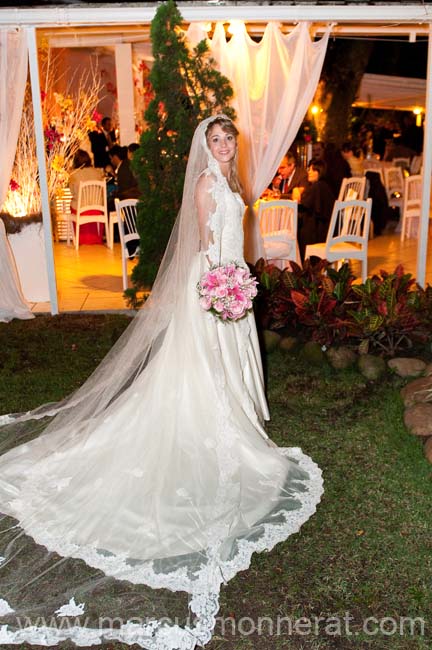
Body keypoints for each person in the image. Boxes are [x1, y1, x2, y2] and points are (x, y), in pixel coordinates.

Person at [0, 115, 323, 649]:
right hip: (212, 284)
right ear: (205, 146)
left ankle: (237, 416)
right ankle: (217, 425)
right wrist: (221, 286)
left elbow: (234, 237)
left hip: (231, 281)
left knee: (230, 361)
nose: (222, 147)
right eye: (214, 141)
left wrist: (240, 278)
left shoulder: (232, 182)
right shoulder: (203, 184)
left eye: (227, 141)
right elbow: (201, 243)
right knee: (203, 367)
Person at [298, 157, 336, 261]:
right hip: (327, 230)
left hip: (318, 233)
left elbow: (304, 206)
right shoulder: (325, 186)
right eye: (309, 169)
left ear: (320, 172)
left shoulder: (317, 187)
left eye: (313, 170)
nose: (309, 172)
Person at [68, 148, 105, 245]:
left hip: (81, 209)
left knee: (72, 203)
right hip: (97, 209)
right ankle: (96, 238)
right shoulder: (98, 172)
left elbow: (72, 192)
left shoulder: (74, 174)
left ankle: (80, 239)